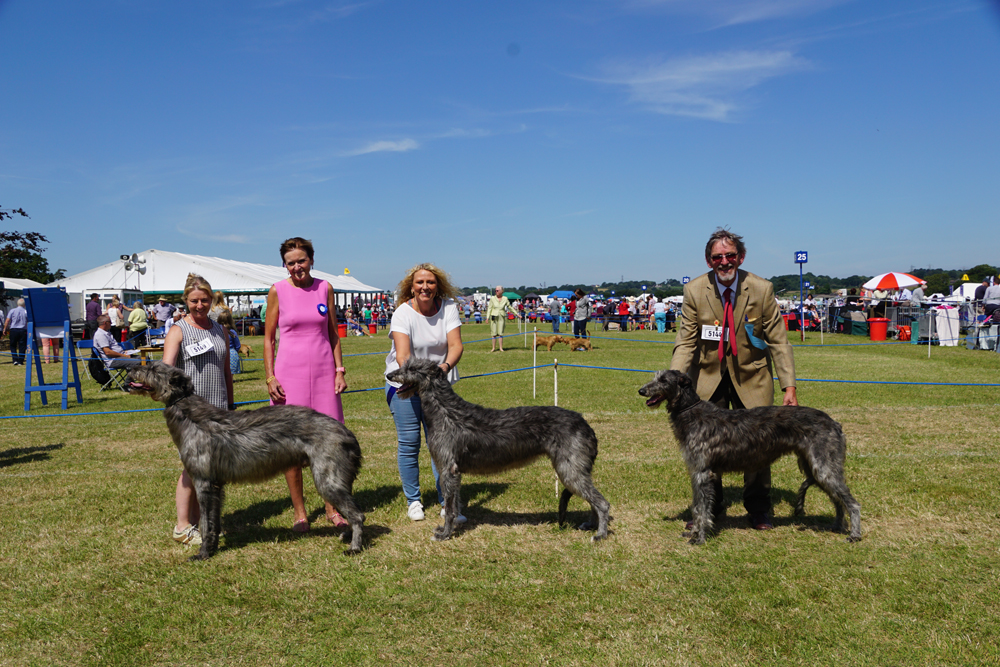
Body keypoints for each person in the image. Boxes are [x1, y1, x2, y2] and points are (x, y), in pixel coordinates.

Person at [670, 228, 797, 531]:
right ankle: (710, 505)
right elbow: (686, 341)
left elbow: (779, 341)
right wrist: (676, 379)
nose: (724, 262)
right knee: (706, 448)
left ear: (741, 257)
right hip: (708, 378)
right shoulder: (694, 290)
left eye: (730, 256)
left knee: (759, 445)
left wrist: (788, 387)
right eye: (717, 257)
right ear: (708, 260)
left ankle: (759, 507)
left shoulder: (762, 289)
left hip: (753, 377)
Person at [264, 237, 349, 532]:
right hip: (289, 376)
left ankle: (332, 508)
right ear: (284, 265)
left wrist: (339, 370)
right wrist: (270, 376)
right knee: (291, 445)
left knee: (328, 444)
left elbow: (333, 333)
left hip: (325, 374)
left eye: (301, 260)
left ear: (312, 259)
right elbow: (268, 338)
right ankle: (300, 513)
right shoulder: (277, 291)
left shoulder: (325, 288)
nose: (297, 267)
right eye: (291, 263)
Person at [384, 262, 464, 522]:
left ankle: (446, 503)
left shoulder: (449, 308)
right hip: (405, 386)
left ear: (437, 285)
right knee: (409, 444)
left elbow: (455, 346)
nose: (425, 287)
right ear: (411, 286)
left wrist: (444, 367)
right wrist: (425, 377)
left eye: (430, 282)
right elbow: (404, 357)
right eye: (420, 282)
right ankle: (414, 501)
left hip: (438, 385)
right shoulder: (402, 313)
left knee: (442, 446)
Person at [162, 273, 234, 547]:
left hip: (217, 408)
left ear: (212, 300)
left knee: (211, 468)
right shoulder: (178, 330)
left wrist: (230, 405)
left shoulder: (220, 329)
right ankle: (182, 526)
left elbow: (226, 370)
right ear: (186, 301)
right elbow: (167, 372)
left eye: (205, 300)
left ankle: (202, 524)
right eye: (194, 301)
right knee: (192, 466)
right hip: (189, 410)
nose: (200, 306)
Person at [486, 285, 517, 352]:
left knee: (500, 333)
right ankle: (493, 348)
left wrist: (516, 314)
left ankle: (501, 348)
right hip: (494, 316)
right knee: (493, 333)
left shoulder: (505, 298)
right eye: (495, 290)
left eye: (497, 290)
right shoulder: (492, 298)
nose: (496, 292)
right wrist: (487, 317)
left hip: (501, 317)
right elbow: (489, 308)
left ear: (501, 291)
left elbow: (510, 307)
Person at [3, 299, 28, 365]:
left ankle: (15, 359)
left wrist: (5, 329)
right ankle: (21, 360)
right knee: (22, 346)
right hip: (23, 330)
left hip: (14, 330)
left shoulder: (12, 310)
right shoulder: (26, 311)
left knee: (13, 345)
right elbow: (28, 320)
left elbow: (7, 320)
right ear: (24, 304)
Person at [217, 309, 242, 375]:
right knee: (230, 375)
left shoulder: (216, 331)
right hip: (231, 353)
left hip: (218, 353)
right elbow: (238, 345)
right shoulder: (232, 332)